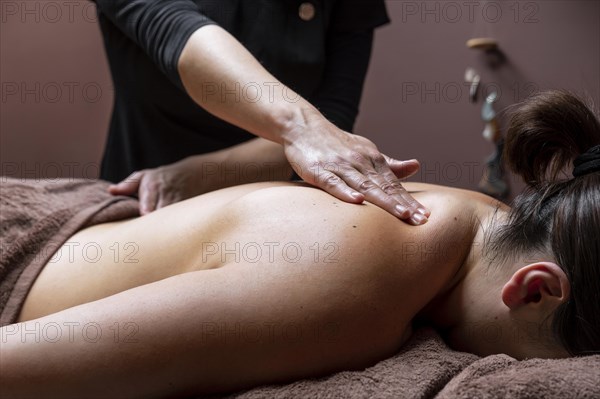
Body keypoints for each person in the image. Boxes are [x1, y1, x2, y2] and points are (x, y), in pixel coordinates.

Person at [1, 91, 598, 397]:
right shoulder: (349, 290)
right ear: (535, 288)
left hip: (79, 215)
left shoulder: (488, 220)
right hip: (26, 255)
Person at [92, 0, 430, 224]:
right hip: (143, 206)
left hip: (269, 216)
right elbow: (173, 30)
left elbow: (334, 118)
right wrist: (303, 128)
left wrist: (200, 176)